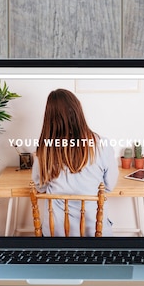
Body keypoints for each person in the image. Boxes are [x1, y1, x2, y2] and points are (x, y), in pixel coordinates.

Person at [31, 89, 118, 236]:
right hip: (94, 232)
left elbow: (40, 187)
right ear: (78, 111)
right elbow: (109, 186)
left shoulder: (44, 149)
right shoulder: (102, 144)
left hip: (56, 233)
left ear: (49, 118)